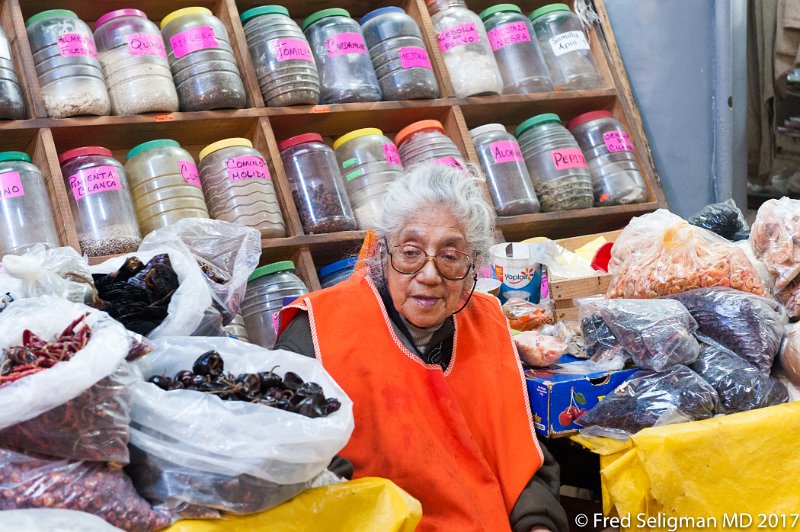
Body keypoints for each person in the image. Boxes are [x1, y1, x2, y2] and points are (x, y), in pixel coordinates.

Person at [276, 163, 568, 531]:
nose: (429, 275)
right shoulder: (315, 332)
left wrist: (538, 524)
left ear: (472, 267)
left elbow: (521, 458)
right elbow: (303, 475)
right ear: (383, 254)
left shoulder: (488, 322)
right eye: (411, 252)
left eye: (449, 256)